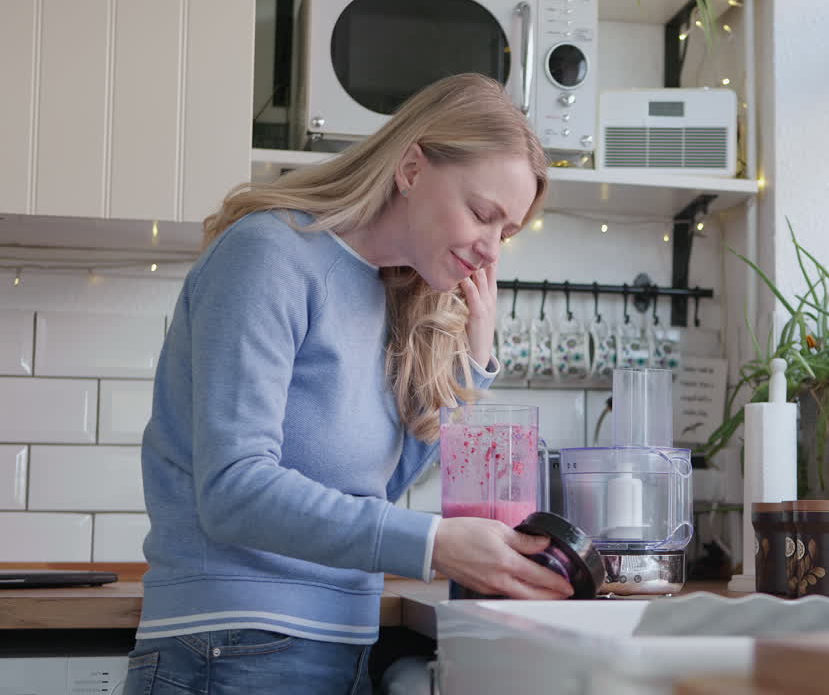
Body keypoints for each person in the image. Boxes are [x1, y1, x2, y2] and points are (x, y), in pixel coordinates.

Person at [122, 74, 574, 695]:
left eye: (507, 232)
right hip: (230, 646)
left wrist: (473, 359)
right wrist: (435, 543)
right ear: (412, 169)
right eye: (482, 214)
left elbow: (375, 492)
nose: (492, 251)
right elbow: (233, 489)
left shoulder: (391, 291)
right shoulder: (269, 254)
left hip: (341, 646)